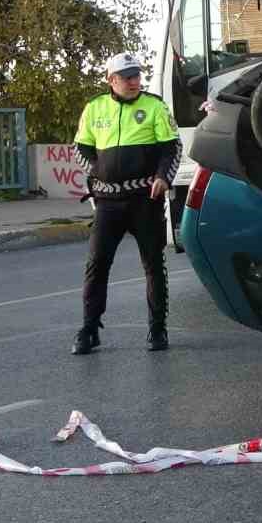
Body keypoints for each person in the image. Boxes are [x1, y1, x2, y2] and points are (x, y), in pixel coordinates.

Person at [72, 52, 182, 355]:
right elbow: (81, 147)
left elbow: (172, 148)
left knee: (153, 265)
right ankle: (89, 329)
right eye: (128, 76)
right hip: (108, 203)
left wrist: (163, 177)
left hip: (144, 200)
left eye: (137, 75)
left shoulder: (154, 106)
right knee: (96, 264)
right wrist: (97, 171)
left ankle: (157, 329)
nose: (135, 81)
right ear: (112, 80)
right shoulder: (94, 108)